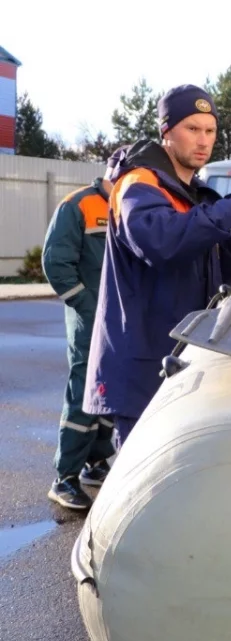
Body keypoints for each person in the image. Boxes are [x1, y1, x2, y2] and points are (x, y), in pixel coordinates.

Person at [84, 84, 231, 449]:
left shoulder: (191, 194)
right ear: (165, 131)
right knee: (141, 483)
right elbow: (161, 244)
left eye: (210, 131)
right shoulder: (138, 185)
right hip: (145, 365)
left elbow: (208, 277)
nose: (203, 140)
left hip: (179, 358)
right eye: (192, 129)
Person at [40, 155, 125, 510]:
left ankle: (95, 462)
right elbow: (55, 263)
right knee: (83, 394)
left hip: (118, 322)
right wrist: (90, 307)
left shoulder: (126, 208)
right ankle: (65, 478)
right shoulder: (78, 205)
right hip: (90, 321)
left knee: (109, 392)